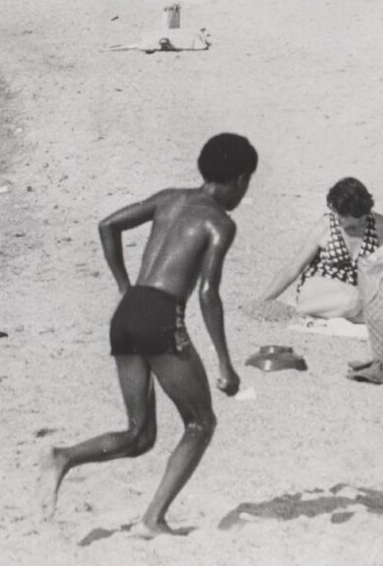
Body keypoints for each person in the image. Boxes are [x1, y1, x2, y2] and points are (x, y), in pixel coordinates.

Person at [41, 133, 257, 538]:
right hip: (160, 315)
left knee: (139, 435)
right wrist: (225, 364)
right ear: (239, 179)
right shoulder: (219, 222)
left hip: (127, 312)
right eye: (247, 185)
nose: (244, 194)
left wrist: (124, 285)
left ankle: (64, 457)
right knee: (200, 424)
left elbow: (107, 225)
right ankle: (152, 519)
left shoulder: (169, 198)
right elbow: (209, 294)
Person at [251, 178, 383, 321]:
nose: (336, 217)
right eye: (334, 211)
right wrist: (262, 302)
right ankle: (293, 312)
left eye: (341, 214)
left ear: (357, 211)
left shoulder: (380, 225)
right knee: (353, 300)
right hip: (317, 290)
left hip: (353, 296)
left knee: (373, 309)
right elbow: (293, 268)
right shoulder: (326, 225)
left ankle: (345, 313)